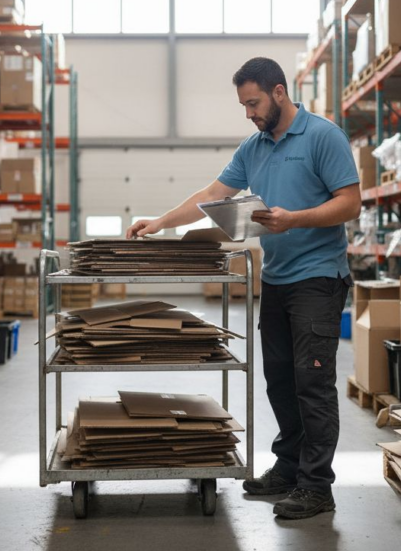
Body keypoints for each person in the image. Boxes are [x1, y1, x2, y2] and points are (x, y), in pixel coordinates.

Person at [127, 57, 361, 520]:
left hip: (318, 278)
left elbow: (350, 203)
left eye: (253, 103)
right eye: (243, 105)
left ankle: (317, 487)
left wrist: (294, 219)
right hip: (276, 279)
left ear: (278, 92)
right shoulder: (254, 147)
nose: (249, 113)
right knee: (280, 381)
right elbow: (211, 195)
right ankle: (290, 468)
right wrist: (161, 222)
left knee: (312, 384)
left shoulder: (322, 136)